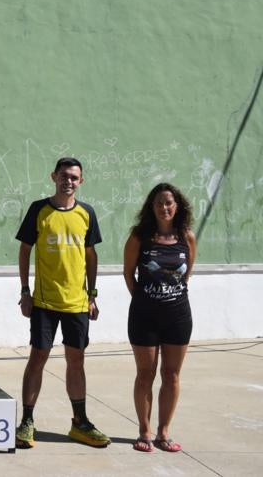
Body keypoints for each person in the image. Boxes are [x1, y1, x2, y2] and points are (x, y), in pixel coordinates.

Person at [15, 157, 109, 449]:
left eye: (74, 177)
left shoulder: (87, 214)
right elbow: (25, 251)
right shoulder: (39, 210)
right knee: (38, 358)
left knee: (76, 361)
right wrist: (25, 291)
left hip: (77, 304)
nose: (68, 181)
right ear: (53, 176)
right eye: (64, 176)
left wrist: (92, 296)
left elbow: (91, 257)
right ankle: (27, 422)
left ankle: (79, 423)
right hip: (43, 302)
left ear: (81, 181)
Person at [123, 183, 196, 453]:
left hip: (178, 316)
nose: (164, 208)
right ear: (151, 208)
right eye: (158, 204)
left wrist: (169, 296)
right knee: (145, 374)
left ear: (177, 206)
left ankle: (164, 432)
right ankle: (145, 430)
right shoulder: (139, 236)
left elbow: (186, 274)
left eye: (169, 203)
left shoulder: (186, 236)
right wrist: (144, 300)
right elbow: (128, 273)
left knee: (171, 374)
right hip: (144, 317)